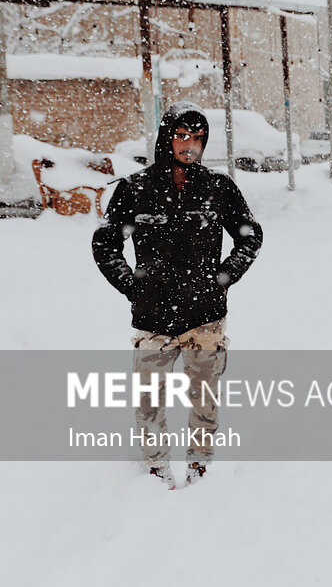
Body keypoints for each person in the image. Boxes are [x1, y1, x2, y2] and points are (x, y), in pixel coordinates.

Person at [92, 102, 263, 488]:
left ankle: (200, 467)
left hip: (205, 318)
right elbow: (105, 245)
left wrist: (222, 278)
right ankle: (156, 470)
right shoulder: (135, 189)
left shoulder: (218, 188)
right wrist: (132, 286)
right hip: (153, 319)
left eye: (198, 138)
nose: (190, 145)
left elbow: (250, 237)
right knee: (149, 400)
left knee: (204, 399)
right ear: (166, 138)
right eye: (182, 136)